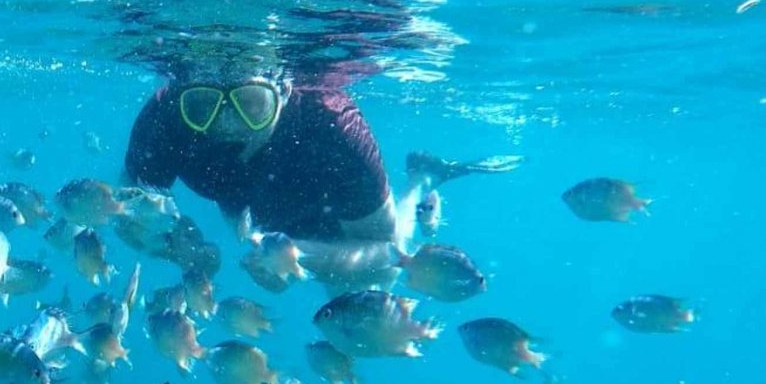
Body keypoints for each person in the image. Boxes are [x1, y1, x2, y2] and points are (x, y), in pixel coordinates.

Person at [124, 66, 515, 249]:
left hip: (326, 211)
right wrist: (169, 246)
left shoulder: (330, 124)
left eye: (252, 104)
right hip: (256, 213)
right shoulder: (166, 116)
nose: (227, 123)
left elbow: (381, 247)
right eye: (203, 106)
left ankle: (422, 183)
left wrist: (289, 256)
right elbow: (123, 205)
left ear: (281, 92)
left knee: (362, 286)